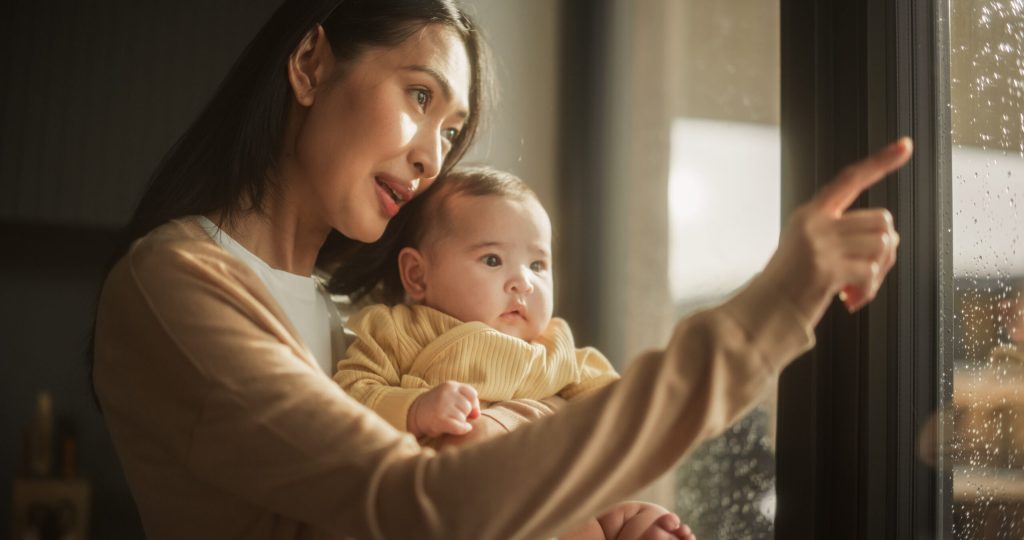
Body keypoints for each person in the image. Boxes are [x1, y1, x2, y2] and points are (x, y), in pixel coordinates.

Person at [90, 0, 910, 538]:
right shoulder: (176, 286)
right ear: (308, 64)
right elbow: (420, 507)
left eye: (451, 132)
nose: (428, 158)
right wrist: (763, 317)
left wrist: (602, 515)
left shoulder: (356, 313)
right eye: (419, 97)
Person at [334, 166, 690, 539]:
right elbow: (349, 396)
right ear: (418, 275)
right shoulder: (400, 330)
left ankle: (623, 526)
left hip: (559, 492)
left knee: (626, 512)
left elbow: (618, 412)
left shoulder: (558, 347)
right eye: (492, 259)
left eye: (538, 265)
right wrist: (416, 409)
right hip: (469, 502)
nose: (524, 282)